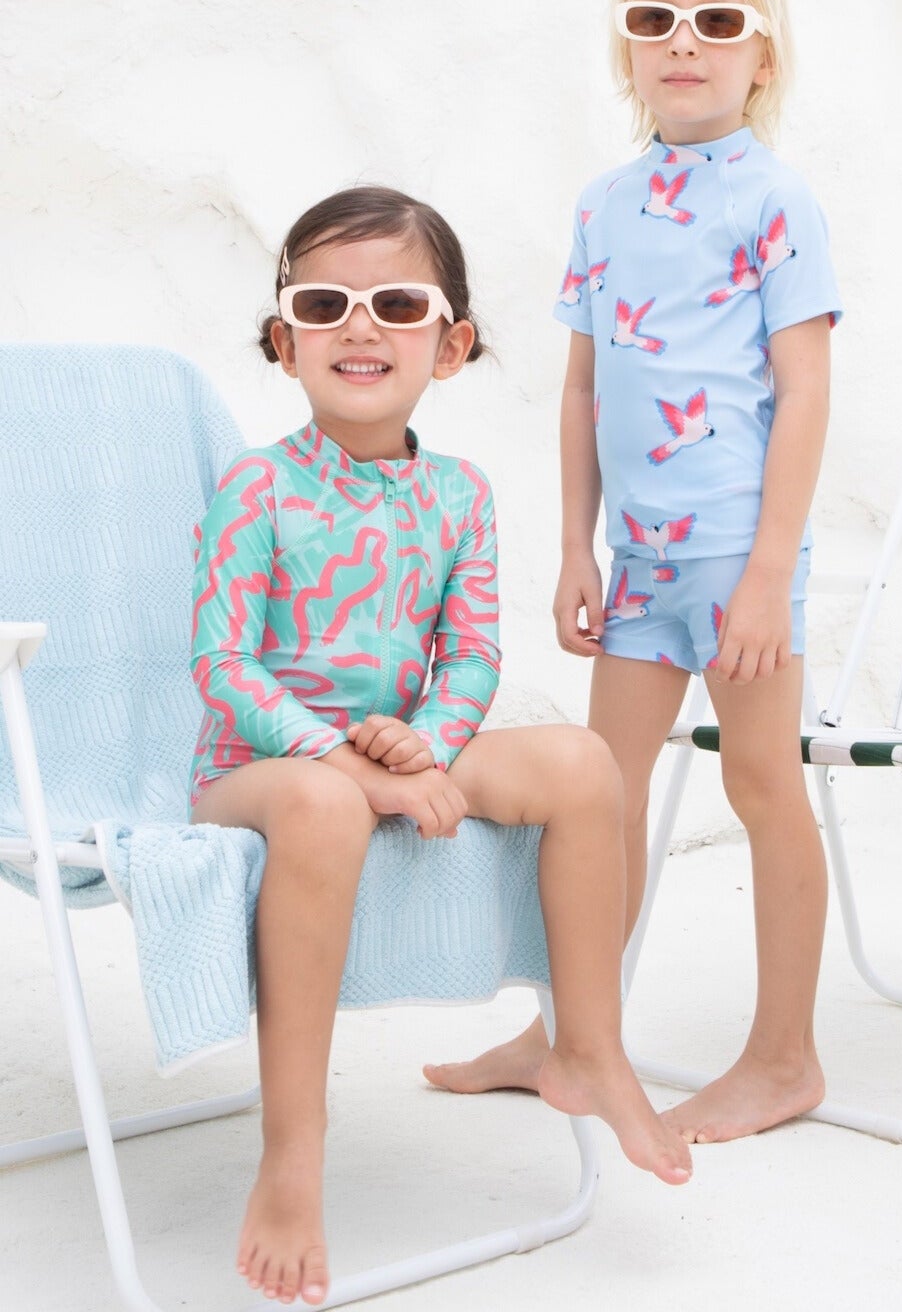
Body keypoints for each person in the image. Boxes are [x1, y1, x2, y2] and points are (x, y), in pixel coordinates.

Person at [191, 185, 691, 1309]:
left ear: (450, 343)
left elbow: (468, 658)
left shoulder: (459, 497)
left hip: (400, 746)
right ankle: (293, 1151)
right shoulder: (255, 487)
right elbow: (223, 666)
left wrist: (425, 744)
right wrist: (342, 758)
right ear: (285, 342)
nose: (358, 326)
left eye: (396, 302)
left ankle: (587, 1042)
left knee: (580, 760)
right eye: (325, 302)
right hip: (261, 769)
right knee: (324, 806)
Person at [425, 0, 841, 1147]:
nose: (682, 41)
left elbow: (805, 390)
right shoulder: (605, 205)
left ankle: (783, 1054)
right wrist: (573, 546)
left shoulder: (775, 199)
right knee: (601, 795)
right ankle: (569, 1032)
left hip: (736, 555)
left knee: (763, 782)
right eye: (653, 19)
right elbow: (580, 387)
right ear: (624, 47)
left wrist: (767, 571)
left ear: (760, 55)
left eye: (716, 20)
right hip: (642, 564)